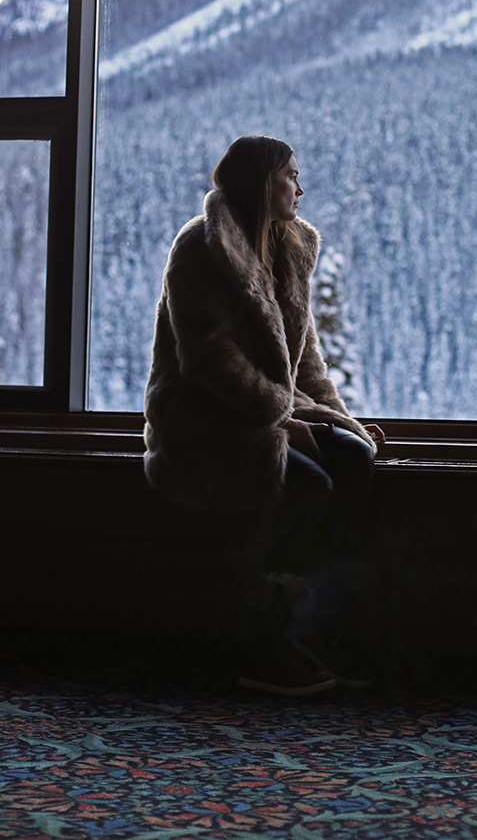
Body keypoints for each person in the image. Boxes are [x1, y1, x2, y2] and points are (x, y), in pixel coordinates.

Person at [143, 135, 384, 695]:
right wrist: (281, 420)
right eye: (290, 176)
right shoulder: (199, 249)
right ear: (260, 183)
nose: (300, 188)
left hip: (262, 413)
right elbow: (209, 360)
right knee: (309, 486)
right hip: (203, 419)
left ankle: (322, 629)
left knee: (353, 460)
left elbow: (306, 360)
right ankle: (264, 640)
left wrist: (341, 421)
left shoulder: (287, 248)